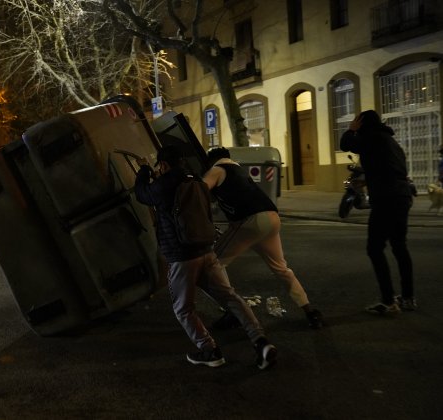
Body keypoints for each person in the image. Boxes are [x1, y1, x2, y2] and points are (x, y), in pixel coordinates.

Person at [134, 145, 277, 369]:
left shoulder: (165, 184)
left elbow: (143, 194)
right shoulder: (198, 182)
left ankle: (210, 350)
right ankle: (261, 341)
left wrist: (143, 171)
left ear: (163, 165)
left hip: (182, 257)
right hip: (206, 251)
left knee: (183, 309)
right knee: (230, 298)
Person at [202, 147, 323, 329]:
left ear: (211, 161)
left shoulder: (217, 169)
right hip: (271, 218)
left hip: (249, 221)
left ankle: (234, 310)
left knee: (210, 265)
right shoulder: (238, 169)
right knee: (281, 269)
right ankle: (310, 311)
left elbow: (198, 192)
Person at [340, 110, 415, 314]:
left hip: (387, 200)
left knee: (374, 248)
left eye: (358, 122)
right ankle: (408, 298)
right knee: (399, 247)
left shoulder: (371, 138)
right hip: (402, 197)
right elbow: (389, 169)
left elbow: (345, 144)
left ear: (363, 124)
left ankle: (388, 301)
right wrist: (366, 180)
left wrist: (351, 130)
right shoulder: (391, 142)